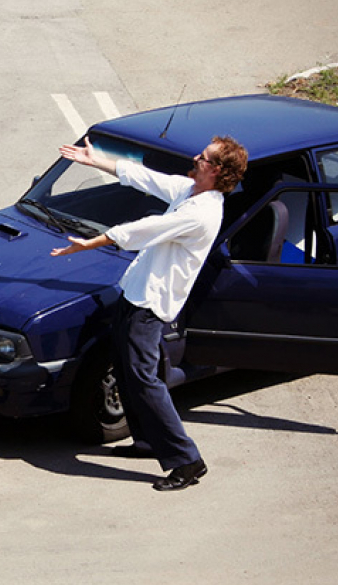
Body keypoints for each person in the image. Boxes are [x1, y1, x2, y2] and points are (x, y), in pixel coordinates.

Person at [51, 135, 247, 491]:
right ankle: (145, 442)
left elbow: (147, 229)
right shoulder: (190, 190)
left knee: (143, 379)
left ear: (216, 170)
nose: (194, 156)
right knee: (130, 372)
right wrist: (95, 161)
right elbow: (145, 177)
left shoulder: (201, 213)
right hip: (136, 294)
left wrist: (93, 242)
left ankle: (187, 461)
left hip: (150, 305)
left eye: (202, 157)